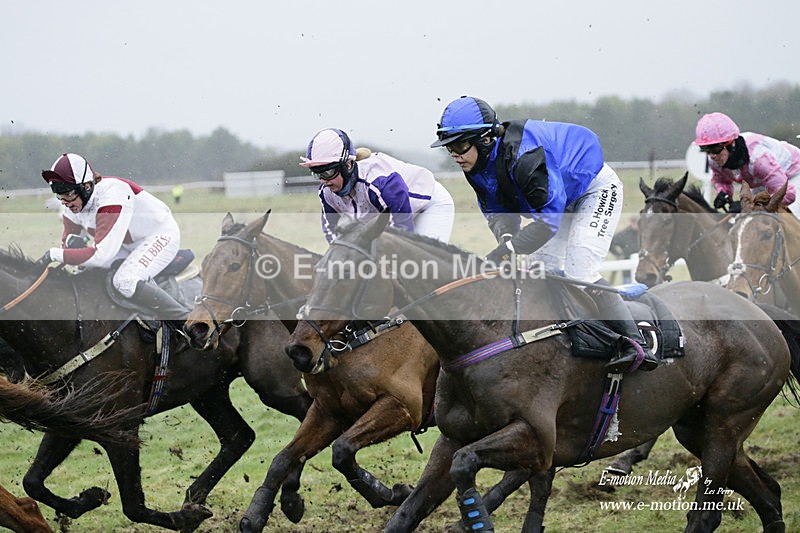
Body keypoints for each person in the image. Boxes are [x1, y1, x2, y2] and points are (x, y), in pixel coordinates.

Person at [431, 96, 657, 373]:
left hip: (593, 190)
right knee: (539, 271)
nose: (454, 154)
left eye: (459, 145)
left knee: (580, 271)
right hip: (560, 200)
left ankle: (637, 345)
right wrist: (505, 241)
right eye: (449, 147)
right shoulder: (475, 164)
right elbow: (499, 212)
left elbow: (548, 222)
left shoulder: (526, 159)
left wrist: (511, 249)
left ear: (486, 139)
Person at [39, 153, 190, 320]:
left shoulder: (112, 196)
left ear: (87, 186)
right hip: (124, 244)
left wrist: (53, 254)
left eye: (68, 194)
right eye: (59, 195)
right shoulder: (73, 205)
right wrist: (70, 244)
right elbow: (68, 245)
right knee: (86, 272)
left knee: (125, 281)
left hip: (160, 235)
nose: (64, 202)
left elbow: (99, 255)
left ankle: (187, 320)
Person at [299, 128, 455, 243]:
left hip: (429, 205)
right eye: (317, 174)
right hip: (395, 214)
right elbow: (332, 232)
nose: (324, 181)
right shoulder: (326, 193)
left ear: (347, 165)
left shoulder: (380, 182)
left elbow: (402, 236)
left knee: (420, 267)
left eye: (328, 172)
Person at [695, 112, 800, 216]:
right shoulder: (715, 161)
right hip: (764, 183)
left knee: (787, 216)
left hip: (793, 176)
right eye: (706, 149)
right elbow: (722, 180)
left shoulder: (759, 160)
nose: (712, 155)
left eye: (715, 148)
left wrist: (747, 206)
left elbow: (788, 195)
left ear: (731, 143)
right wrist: (724, 193)